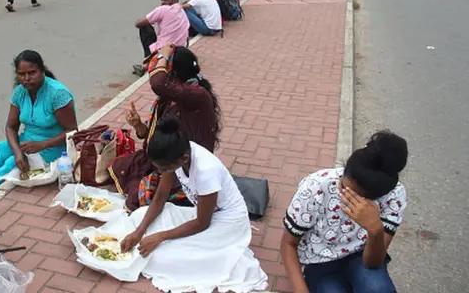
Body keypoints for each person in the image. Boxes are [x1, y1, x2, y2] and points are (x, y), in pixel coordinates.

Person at [117, 117, 269, 293]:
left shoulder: (206, 172)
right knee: (139, 216)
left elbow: (202, 223)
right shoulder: (175, 156)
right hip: (203, 214)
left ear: (184, 159)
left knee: (160, 257)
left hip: (227, 222)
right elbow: (160, 196)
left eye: (163, 169)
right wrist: (139, 232)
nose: (160, 172)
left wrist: (160, 237)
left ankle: (226, 252)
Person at [281, 131, 408, 293]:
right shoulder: (316, 187)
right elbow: (288, 243)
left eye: (352, 196)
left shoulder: (394, 196)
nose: (343, 195)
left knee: (379, 289)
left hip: (360, 256)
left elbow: (372, 263)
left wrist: (375, 231)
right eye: (342, 186)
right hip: (319, 261)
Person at [110, 45, 221, 211]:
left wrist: (165, 55)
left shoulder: (198, 96)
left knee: (141, 194)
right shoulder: (172, 97)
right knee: (121, 166)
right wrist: (138, 124)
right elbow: (149, 134)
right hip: (165, 155)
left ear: (174, 74)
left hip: (181, 164)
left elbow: (159, 83)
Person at [0, 50, 78, 196]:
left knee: (11, 163)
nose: (26, 79)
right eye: (21, 74)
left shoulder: (58, 94)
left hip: (54, 148)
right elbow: (11, 127)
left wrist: (43, 144)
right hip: (26, 142)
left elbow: (72, 131)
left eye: (32, 73)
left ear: (42, 71)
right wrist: (18, 152)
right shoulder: (20, 92)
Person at [133, 0, 190, 75]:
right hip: (180, 51)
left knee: (144, 27)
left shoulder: (162, 10)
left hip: (164, 53)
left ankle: (148, 62)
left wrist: (149, 21)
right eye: (162, 0)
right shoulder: (181, 9)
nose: (163, 2)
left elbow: (138, 24)